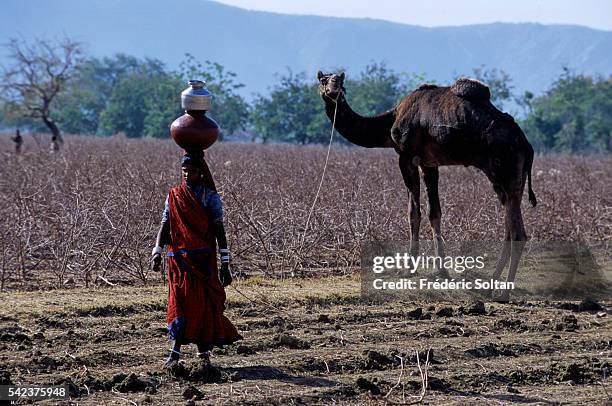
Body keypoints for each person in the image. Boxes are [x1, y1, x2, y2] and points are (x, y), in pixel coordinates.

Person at [151, 150, 240, 368]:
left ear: (201, 173)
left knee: (202, 306)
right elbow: (165, 225)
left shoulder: (210, 197)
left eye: (191, 171)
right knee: (178, 304)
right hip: (179, 262)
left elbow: (220, 231)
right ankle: (174, 354)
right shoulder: (173, 195)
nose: (186, 175)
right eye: (184, 171)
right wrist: (156, 252)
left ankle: (204, 355)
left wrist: (225, 264)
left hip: (203, 263)